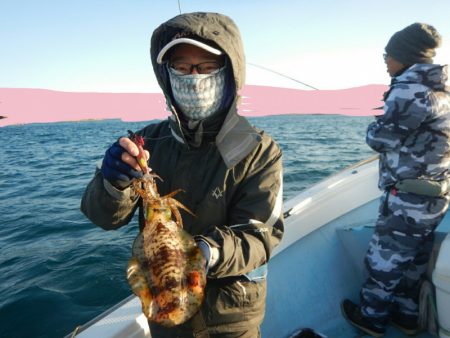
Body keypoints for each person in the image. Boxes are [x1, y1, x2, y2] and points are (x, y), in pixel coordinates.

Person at [80, 12, 284, 338]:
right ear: (167, 76)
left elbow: (260, 235)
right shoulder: (146, 145)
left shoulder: (257, 149)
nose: (194, 77)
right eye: (182, 68)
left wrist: (205, 253)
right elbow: (102, 217)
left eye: (206, 67)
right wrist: (113, 184)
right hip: (162, 311)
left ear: (229, 73)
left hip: (230, 319)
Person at [341, 23, 450, 337]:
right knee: (414, 262)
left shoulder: (409, 88)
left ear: (405, 56)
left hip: (408, 200)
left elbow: (379, 139)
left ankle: (371, 318)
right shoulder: (439, 88)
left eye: (388, 54)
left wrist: (374, 125)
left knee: (383, 262)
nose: (385, 60)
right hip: (434, 198)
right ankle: (406, 316)